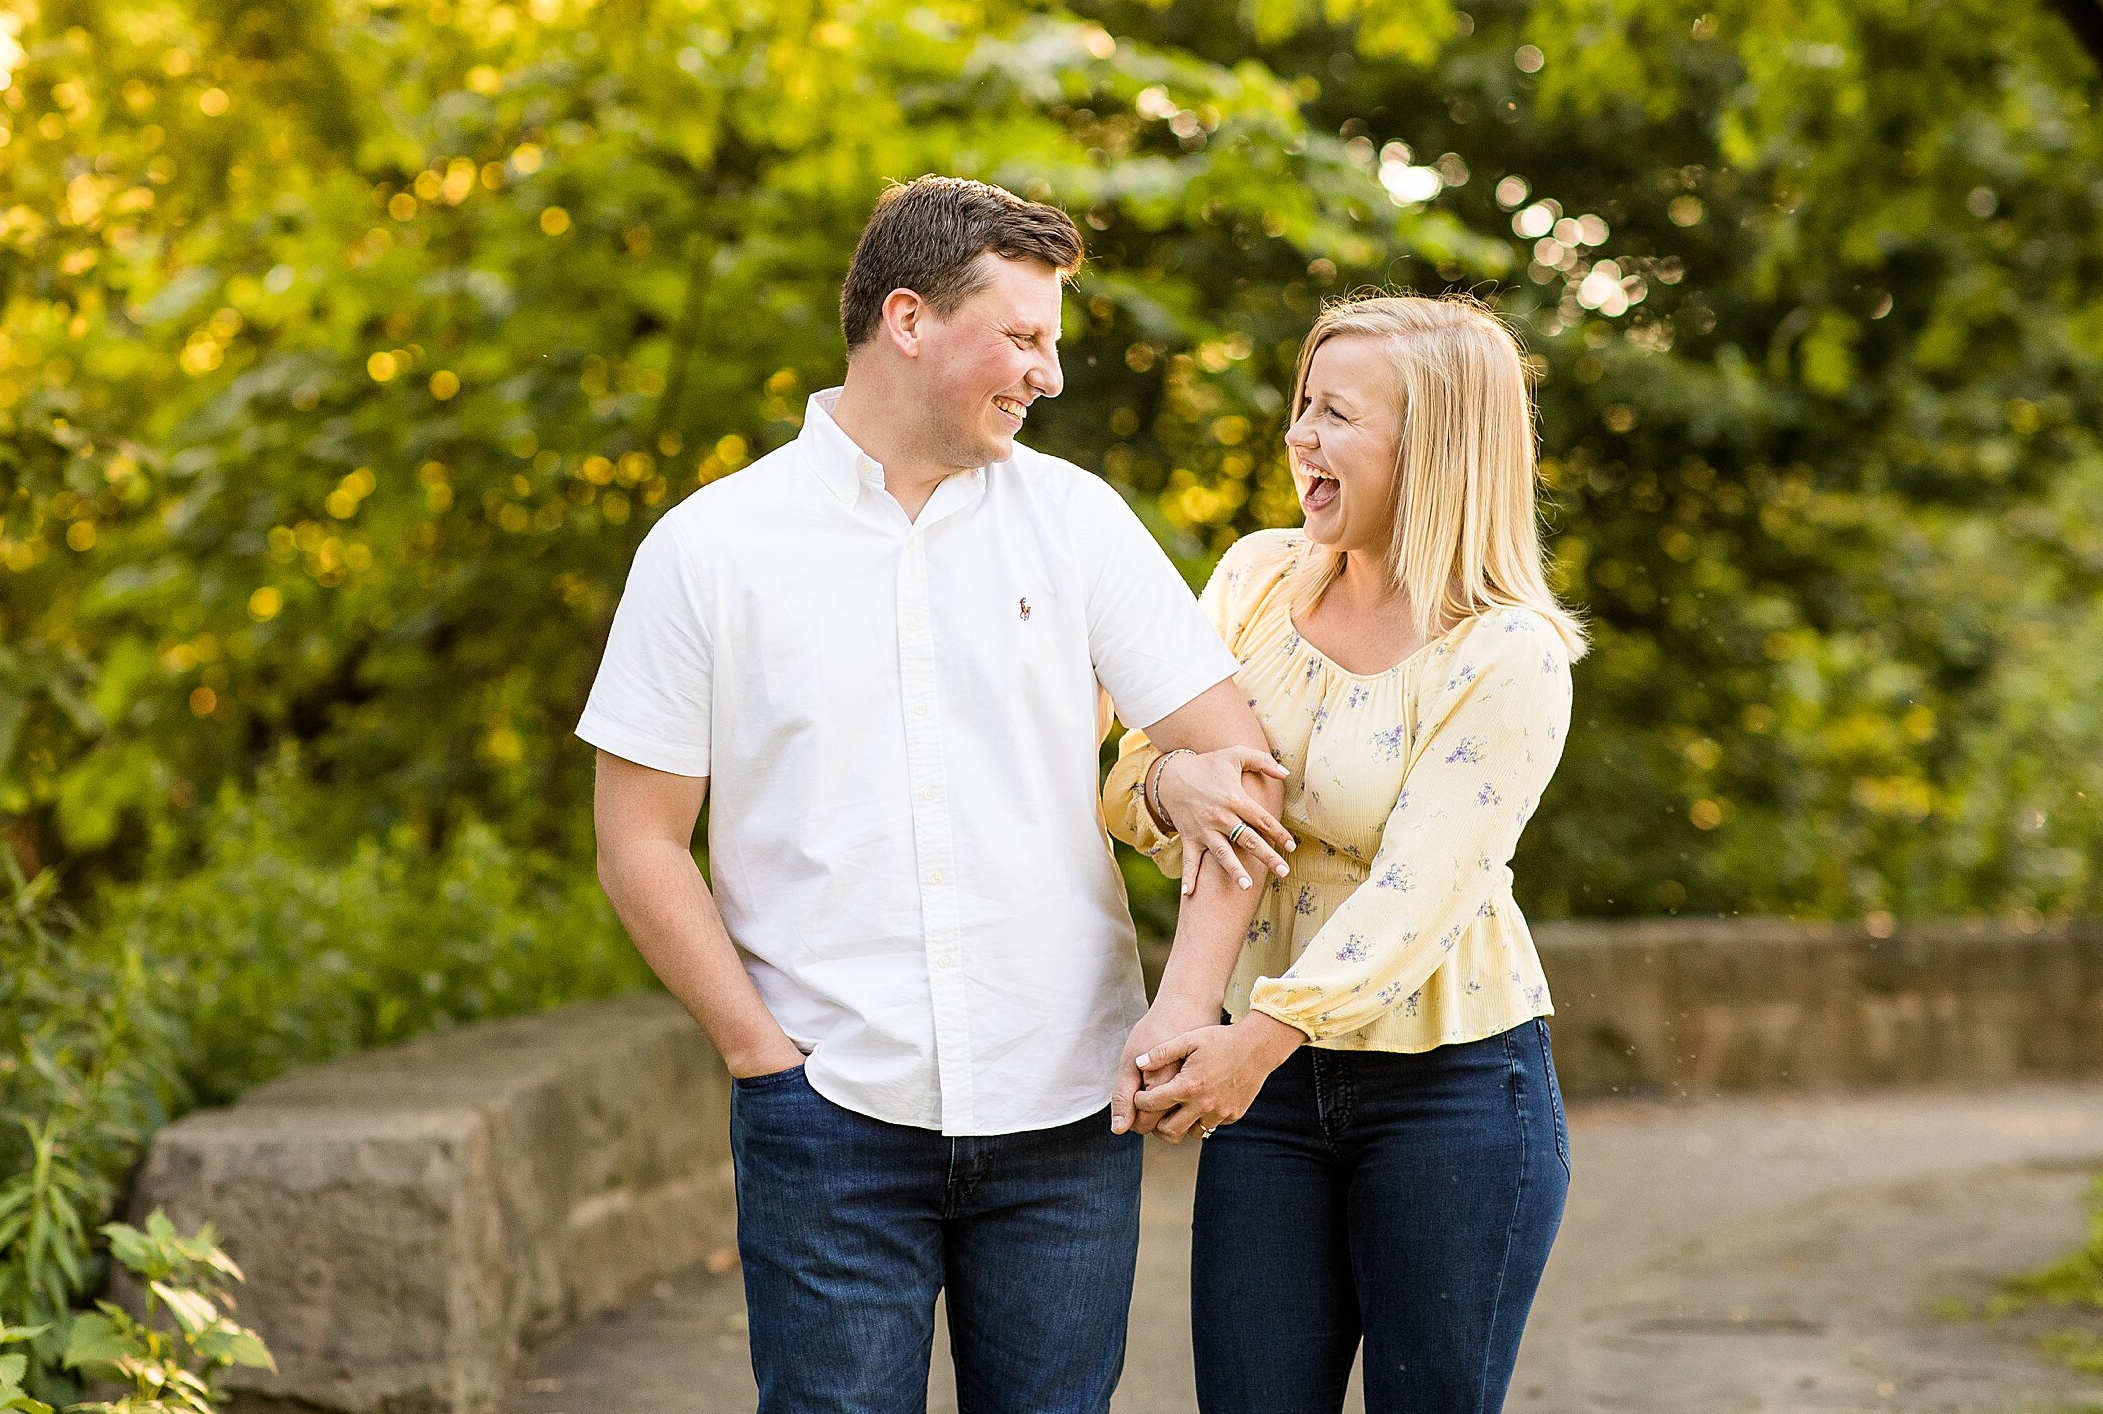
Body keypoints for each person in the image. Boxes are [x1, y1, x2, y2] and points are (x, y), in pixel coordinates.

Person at [580, 176, 1291, 1414]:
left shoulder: (1077, 524)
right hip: (828, 1117)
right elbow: (639, 840)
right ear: (907, 320)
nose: (1049, 374)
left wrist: (1184, 1002)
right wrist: (762, 1058)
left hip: (1071, 1114)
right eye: (1022, 337)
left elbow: (1239, 779)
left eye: (1052, 341)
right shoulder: (710, 548)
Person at [1106, 293, 1586, 1414]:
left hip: (1453, 1094)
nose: (1298, 437)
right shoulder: (1255, 579)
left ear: (1430, 447)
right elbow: (1130, 782)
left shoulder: (1508, 653)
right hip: (1269, 1101)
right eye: (1300, 406)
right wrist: (1173, 781)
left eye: (1333, 414)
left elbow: (1419, 891)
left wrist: (1251, 1039)